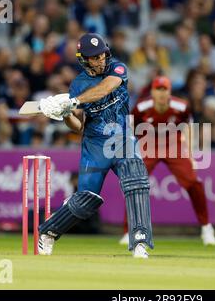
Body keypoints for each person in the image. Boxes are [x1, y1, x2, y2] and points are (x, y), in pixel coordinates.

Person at [35, 33, 153, 258]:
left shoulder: (117, 68)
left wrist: (73, 101)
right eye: (94, 58)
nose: (100, 61)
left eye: (102, 56)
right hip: (95, 145)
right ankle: (48, 232)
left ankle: (139, 241)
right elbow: (77, 125)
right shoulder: (78, 84)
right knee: (85, 200)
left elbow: (106, 88)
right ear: (84, 60)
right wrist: (65, 113)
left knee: (136, 182)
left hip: (122, 139)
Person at [118, 76, 215, 246]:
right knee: (135, 184)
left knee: (193, 182)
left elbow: (188, 126)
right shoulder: (141, 107)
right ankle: (129, 231)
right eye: (159, 89)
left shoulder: (181, 106)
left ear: (170, 92)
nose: (162, 94)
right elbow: (129, 131)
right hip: (148, 143)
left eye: (165, 90)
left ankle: (206, 227)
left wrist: (191, 155)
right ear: (152, 92)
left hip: (174, 144)